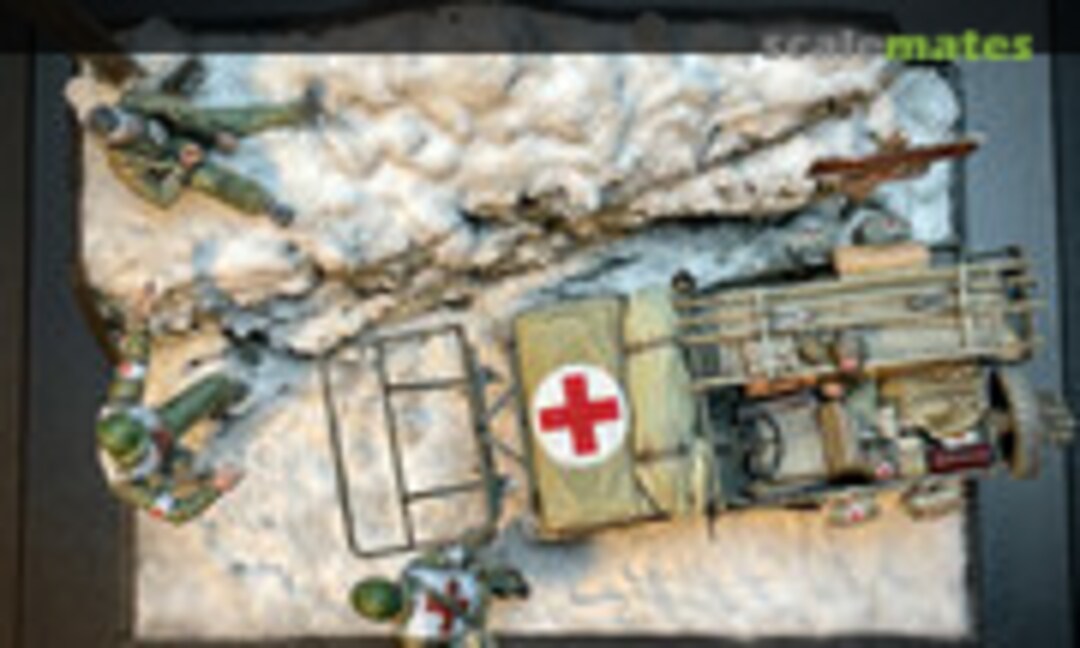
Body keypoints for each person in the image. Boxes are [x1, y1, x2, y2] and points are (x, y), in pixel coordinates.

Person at [85, 71, 323, 226]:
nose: (133, 127)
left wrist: (213, 134)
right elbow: (160, 198)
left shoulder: (133, 103)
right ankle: (267, 206)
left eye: (129, 121)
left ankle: (298, 111)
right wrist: (181, 169)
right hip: (175, 161)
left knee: (235, 119)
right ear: (114, 141)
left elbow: (178, 110)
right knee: (211, 180)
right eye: (126, 131)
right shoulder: (123, 164)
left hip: (181, 127)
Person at [95, 288, 250, 524]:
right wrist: (216, 488)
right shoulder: (127, 484)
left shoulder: (122, 404)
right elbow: (176, 514)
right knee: (190, 470)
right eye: (143, 449)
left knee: (216, 386)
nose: (154, 441)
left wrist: (139, 321)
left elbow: (135, 359)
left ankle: (238, 396)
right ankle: (193, 477)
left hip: (164, 423)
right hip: (160, 466)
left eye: (149, 438)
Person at [349, 540, 529, 647]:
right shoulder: (413, 571)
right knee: (479, 564)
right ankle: (510, 583)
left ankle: (507, 583)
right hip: (477, 582)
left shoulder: (411, 636)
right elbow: (451, 555)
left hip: (471, 628)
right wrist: (465, 552)